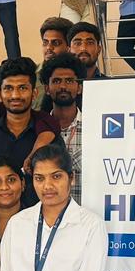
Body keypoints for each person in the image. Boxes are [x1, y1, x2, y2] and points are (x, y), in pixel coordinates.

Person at [0, 57, 61, 210]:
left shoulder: (48, 134)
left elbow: (58, 181)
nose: (15, 95)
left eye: (22, 88)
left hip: (41, 219)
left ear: (34, 93)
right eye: (8, 88)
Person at [39, 54, 85, 202]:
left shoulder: (94, 128)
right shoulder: (37, 129)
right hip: (48, 212)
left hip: (86, 212)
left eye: (69, 81)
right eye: (57, 81)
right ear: (47, 88)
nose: (63, 86)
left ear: (79, 88)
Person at [35, 16, 73, 111]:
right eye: (45, 43)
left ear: (69, 47)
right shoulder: (31, 75)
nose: (49, 48)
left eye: (55, 43)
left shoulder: (77, 77)